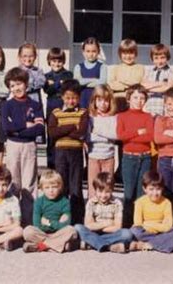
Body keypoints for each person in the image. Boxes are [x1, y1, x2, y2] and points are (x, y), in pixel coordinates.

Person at [1, 67, 45, 225]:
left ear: (26, 84)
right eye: (12, 86)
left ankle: (29, 221)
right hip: (13, 146)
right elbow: (7, 128)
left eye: (19, 84)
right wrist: (26, 124)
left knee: (30, 184)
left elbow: (39, 129)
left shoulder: (35, 104)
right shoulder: (7, 105)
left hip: (29, 146)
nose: (16, 88)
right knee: (13, 183)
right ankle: (13, 221)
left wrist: (18, 130)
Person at [48, 79, 89, 224]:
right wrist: (72, 126)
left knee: (76, 187)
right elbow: (52, 133)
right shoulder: (56, 113)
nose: (71, 101)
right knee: (61, 185)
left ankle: (77, 221)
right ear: (62, 97)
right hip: (60, 153)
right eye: (68, 98)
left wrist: (63, 130)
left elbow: (82, 133)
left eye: (75, 98)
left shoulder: (83, 113)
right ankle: (61, 218)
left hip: (76, 152)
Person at [116, 84, 154, 227]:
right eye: (135, 97)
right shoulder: (122, 116)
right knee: (129, 193)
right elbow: (121, 136)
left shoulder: (148, 116)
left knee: (141, 193)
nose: (139, 101)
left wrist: (131, 135)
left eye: (142, 98)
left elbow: (150, 137)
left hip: (145, 157)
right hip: (129, 157)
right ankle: (126, 225)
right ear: (128, 99)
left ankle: (139, 224)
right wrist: (138, 132)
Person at [75, 172, 132, 253]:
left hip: (109, 234)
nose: (103, 195)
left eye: (107, 192)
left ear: (112, 190)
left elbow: (117, 227)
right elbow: (88, 226)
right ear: (95, 190)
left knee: (127, 234)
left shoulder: (117, 203)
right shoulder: (91, 202)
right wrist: (107, 223)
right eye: (100, 192)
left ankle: (92, 243)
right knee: (78, 228)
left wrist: (97, 226)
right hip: (94, 232)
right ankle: (109, 247)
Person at [22, 170, 78, 253]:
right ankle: (58, 244)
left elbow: (66, 224)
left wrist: (49, 223)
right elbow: (37, 224)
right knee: (27, 231)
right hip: (41, 233)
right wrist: (58, 224)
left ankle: (40, 246)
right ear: (42, 188)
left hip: (59, 233)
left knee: (72, 231)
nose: (51, 190)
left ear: (60, 187)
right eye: (47, 187)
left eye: (54, 187)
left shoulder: (65, 202)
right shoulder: (39, 202)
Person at [129, 171, 173, 253]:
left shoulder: (166, 203)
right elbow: (138, 224)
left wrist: (148, 224)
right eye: (151, 189)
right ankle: (164, 244)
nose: (155, 193)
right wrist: (156, 227)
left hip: (161, 233)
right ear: (144, 189)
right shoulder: (139, 202)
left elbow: (168, 226)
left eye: (158, 189)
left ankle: (148, 245)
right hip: (145, 232)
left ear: (162, 189)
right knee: (134, 231)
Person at [43, 47, 73, 169]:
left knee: (64, 134)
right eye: (54, 61)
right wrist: (58, 84)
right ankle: (51, 165)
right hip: (51, 107)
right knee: (51, 136)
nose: (57, 64)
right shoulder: (46, 75)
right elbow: (47, 90)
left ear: (63, 61)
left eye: (59, 61)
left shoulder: (68, 74)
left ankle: (63, 165)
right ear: (49, 61)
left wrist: (56, 85)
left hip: (64, 107)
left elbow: (66, 87)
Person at [86, 84, 118, 198]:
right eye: (99, 100)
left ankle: (106, 211)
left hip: (109, 157)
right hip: (93, 157)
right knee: (93, 186)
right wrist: (106, 136)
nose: (103, 104)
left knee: (107, 186)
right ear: (94, 101)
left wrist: (98, 131)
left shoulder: (113, 117)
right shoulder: (90, 117)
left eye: (106, 101)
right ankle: (91, 211)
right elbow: (89, 138)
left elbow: (115, 135)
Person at [108, 38, 144, 112]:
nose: (128, 56)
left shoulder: (140, 68)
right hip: (118, 99)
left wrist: (121, 81)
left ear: (135, 53)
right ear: (120, 54)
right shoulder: (116, 68)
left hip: (135, 100)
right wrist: (126, 87)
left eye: (131, 53)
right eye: (124, 53)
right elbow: (111, 84)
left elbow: (137, 82)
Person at [142, 44, 173, 117]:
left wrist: (150, 87)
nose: (159, 61)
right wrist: (162, 83)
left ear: (167, 58)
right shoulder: (149, 71)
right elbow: (143, 86)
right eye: (156, 58)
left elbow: (168, 87)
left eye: (162, 58)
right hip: (150, 103)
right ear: (152, 59)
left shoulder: (171, 71)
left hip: (163, 103)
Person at [73, 37, 108, 109]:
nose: (91, 54)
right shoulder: (78, 67)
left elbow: (102, 82)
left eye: (94, 51)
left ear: (98, 51)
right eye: (88, 51)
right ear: (83, 52)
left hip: (97, 100)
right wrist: (94, 80)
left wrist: (84, 81)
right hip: (82, 99)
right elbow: (78, 82)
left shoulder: (102, 66)